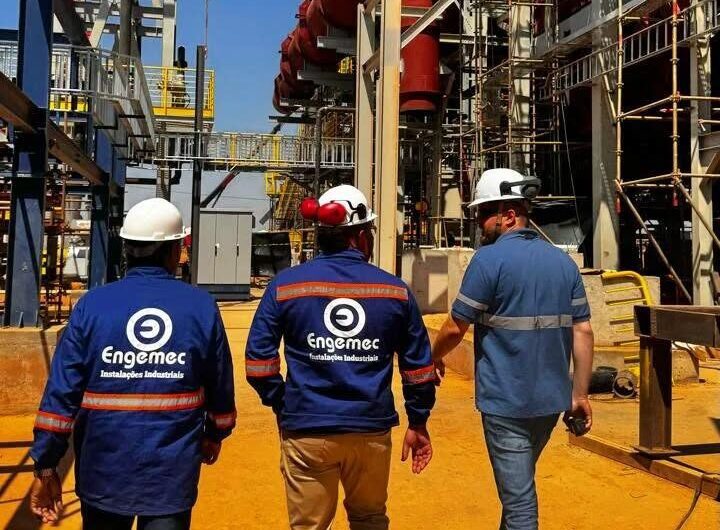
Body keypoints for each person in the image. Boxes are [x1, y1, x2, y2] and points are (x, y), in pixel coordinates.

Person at [29, 198, 236, 530]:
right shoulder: (200, 307)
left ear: (126, 248)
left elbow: (62, 393)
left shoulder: (92, 306)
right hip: (170, 474)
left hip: (103, 471)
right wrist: (215, 433)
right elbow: (220, 384)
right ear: (173, 251)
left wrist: (46, 463)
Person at [246, 184, 436, 530]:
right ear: (361, 236)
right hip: (370, 429)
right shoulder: (394, 291)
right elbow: (419, 370)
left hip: (307, 429)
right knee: (369, 520)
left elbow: (258, 365)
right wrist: (418, 421)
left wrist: (284, 403)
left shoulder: (285, 286)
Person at [432, 169, 595, 530]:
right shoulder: (563, 263)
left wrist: (430, 358)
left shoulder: (487, 261)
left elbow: (455, 327)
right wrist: (579, 394)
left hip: (506, 403)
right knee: (517, 488)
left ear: (508, 215)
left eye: (483, 214)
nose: (478, 223)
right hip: (550, 402)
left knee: (520, 505)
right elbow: (583, 330)